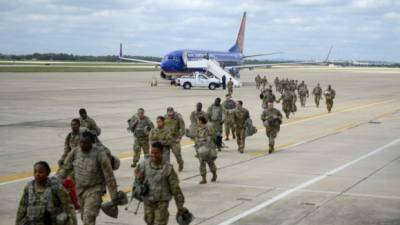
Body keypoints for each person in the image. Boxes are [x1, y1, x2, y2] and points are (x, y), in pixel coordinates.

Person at [58, 131, 119, 225]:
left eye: (85, 143)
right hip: (80, 189)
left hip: (95, 189)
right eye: (81, 142)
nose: (82, 145)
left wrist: (114, 197)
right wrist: (56, 183)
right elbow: (65, 168)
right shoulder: (75, 152)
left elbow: (109, 176)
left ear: (91, 143)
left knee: (88, 217)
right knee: (83, 217)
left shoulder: (99, 154)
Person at [135, 142, 188, 225]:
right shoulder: (144, 165)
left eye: (156, 153)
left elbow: (175, 189)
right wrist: (139, 180)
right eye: (152, 152)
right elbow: (137, 181)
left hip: (161, 202)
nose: (153, 155)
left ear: (161, 153)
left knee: (159, 223)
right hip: (148, 201)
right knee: (149, 221)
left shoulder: (168, 168)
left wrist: (180, 207)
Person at [194, 116, 217, 184]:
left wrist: (202, 140)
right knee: (201, 164)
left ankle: (214, 174)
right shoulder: (198, 129)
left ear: (201, 121)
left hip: (208, 149)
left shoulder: (208, 128)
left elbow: (211, 137)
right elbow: (196, 137)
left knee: (211, 163)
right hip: (201, 149)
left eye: (198, 121)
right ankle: (204, 178)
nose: (197, 122)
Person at [164, 107, 185, 172]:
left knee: (177, 153)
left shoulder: (178, 118)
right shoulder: (164, 117)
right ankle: (167, 168)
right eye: (168, 113)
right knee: (165, 155)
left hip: (175, 139)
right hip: (166, 139)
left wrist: (179, 138)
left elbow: (182, 129)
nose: (170, 115)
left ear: (173, 112)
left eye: (171, 113)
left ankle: (180, 163)